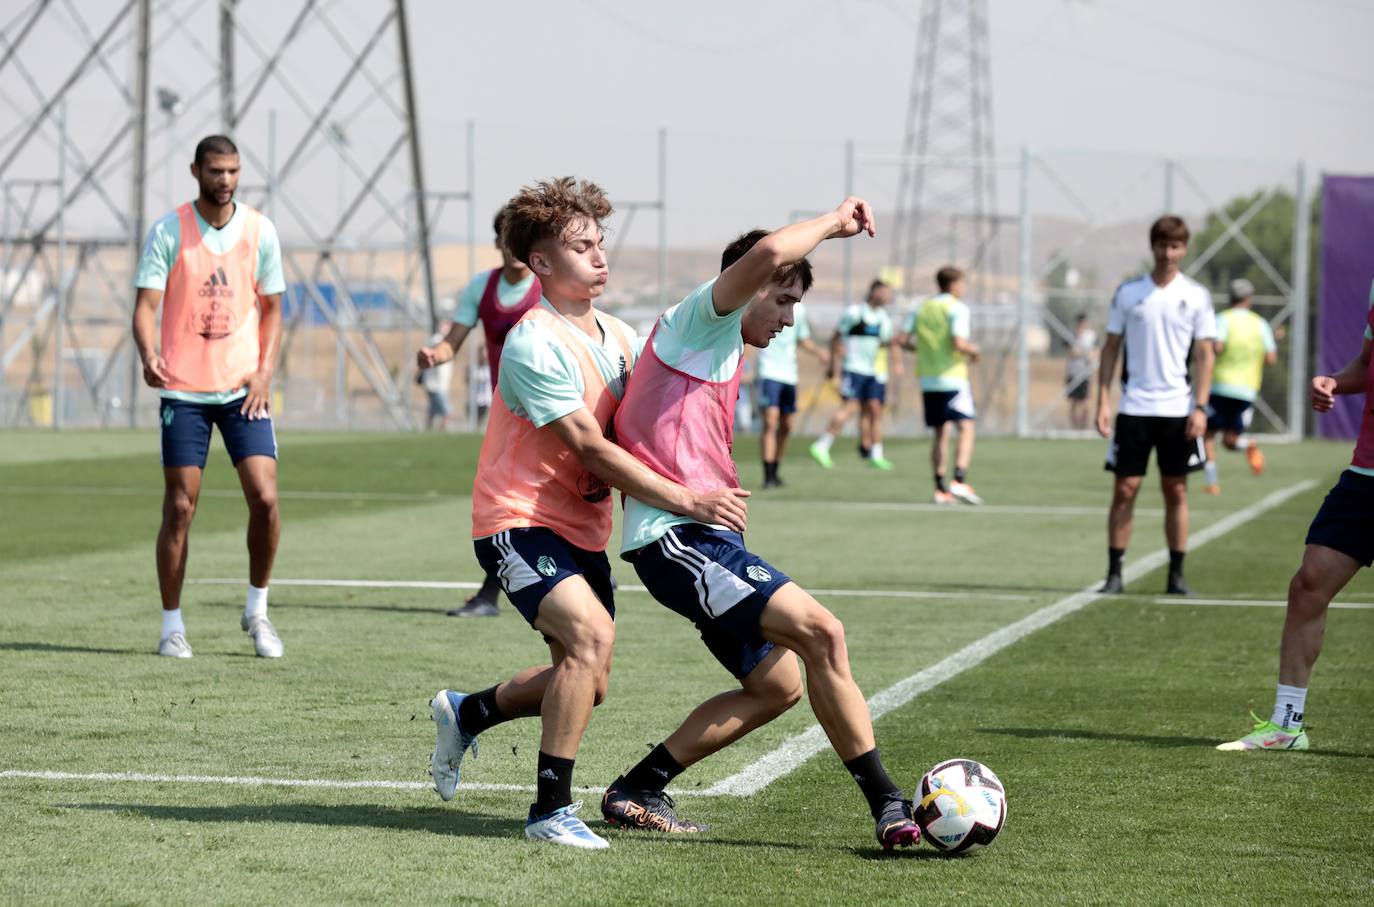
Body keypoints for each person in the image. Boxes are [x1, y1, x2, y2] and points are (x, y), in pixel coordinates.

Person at [425, 177, 748, 850]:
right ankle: (550, 811)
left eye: (600, 243)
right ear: (541, 263)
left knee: (588, 682)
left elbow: (645, 431)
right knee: (590, 639)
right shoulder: (532, 342)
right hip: (517, 520)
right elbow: (589, 446)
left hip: (582, 531)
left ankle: (468, 711)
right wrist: (688, 500)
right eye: (580, 247)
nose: (599, 257)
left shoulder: (625, 338)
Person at [602, 200, 923, 851]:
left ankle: (639, 786)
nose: (787, 318)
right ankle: (888, 803)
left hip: (705, 541)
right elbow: (770, 254)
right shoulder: (702, 322)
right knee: (823, 631)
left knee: (777, 687)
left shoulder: (723, 347)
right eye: (782, 301)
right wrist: (836, 221)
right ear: (746, 286)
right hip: (675, 540)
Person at [131, 134, 285, 660]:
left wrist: (264, 371)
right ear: (196, 170)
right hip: (184, 390)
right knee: (180, 506)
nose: (226, 180)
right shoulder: (168, 230)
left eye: (234, 171)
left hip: (245, 389)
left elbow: (273, 309)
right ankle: (171, 625)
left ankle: (257, 610)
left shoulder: (261, 230)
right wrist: (148, 353)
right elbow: (145, 306)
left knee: (265, 498)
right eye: (216, 171)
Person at [1217, 288, 1374, 752]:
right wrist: (1333, 382)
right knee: (1308, 586)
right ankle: (1287, 725)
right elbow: (1366, 365)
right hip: (1365, 474)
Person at [417, 206, 542, 617]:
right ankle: (493, 594)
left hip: (551, 414)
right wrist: (435, 354)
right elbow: (453, 340)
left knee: (519, 502)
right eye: (508, 240)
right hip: (509, 416)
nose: (514, 249)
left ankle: (492, 595)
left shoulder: (548, 288)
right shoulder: (481, 288)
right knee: (509, 503)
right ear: (499, 244)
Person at [1096, 215, 1215, 596]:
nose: (1168, 253)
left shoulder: (1196, 296)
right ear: (1153, 247)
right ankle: (1114, 575)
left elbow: (1205, 355)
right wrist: (1103, 400)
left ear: (1184, 249)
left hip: (1178, 409)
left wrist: (1200, 407)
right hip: (1134, 407)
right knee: (1125, 489)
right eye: (1162, 245)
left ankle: (1176, 576)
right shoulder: (1129, 293)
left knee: (1176, 490)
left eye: (1175, 246)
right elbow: (1111, 348)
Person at [904, 266, 983, 504]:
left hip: (928, 379)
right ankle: (958, 480)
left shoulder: (922, 307)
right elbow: (958, 343)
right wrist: (975, 351)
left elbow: (902, 340)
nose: (964, 288)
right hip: (952, 377)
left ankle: (940, 489)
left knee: (941, 432)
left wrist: (926, 351)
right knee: (966, 427)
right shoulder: (956, 308)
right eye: (963, 283)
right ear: (953, 284)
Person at [809, 280, 901, 471]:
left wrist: (897, 362)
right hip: (854, 369)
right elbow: (836, 338)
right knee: (850, 407)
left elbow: (887, 343)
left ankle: (876, 454)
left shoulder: (883, 318)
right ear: (873, 292)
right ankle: (822, 445)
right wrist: (834, 365)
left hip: (874, 373)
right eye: (883, 292)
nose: (886, 297)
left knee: (875, 409)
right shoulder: (855, 313)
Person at [1201, 278, 1276, 494]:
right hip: (1247, 390)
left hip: (1220, 387)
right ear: (1249, 299)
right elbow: (1271, 358)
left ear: (1229, 298)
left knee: (1207, 435)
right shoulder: (1260, 323)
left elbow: (1217, 346)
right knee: (1229, 440)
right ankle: (1248, 445)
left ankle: (1212, 482)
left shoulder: (1222, 319)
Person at [756, 296, 827, 487]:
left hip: (789, 374)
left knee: (787, 425)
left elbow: (802, 339)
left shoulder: (800, 311)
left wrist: (819, 352)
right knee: (770, 421)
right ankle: (768, 475)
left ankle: (776, 469)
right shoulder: (767, 302)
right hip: (769, 371)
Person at [420, 319, 455, 431]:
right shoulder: (437, 339)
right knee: (447, 412)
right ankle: (442, 431)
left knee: (433, 411)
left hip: (440, 383)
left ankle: (428, 430)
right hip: (435, 384)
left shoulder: (448, 343)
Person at [1066, 313, 1097, 431]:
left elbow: (1095, 352)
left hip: (1085, 373)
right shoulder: (1071, 334)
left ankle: (1084, 428)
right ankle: (1074, 428)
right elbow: (1071, 352)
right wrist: (1084, 353)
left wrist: (1085, 354)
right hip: (1073, 372)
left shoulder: (1091, 336)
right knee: (1074, 401)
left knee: (1085, 402)